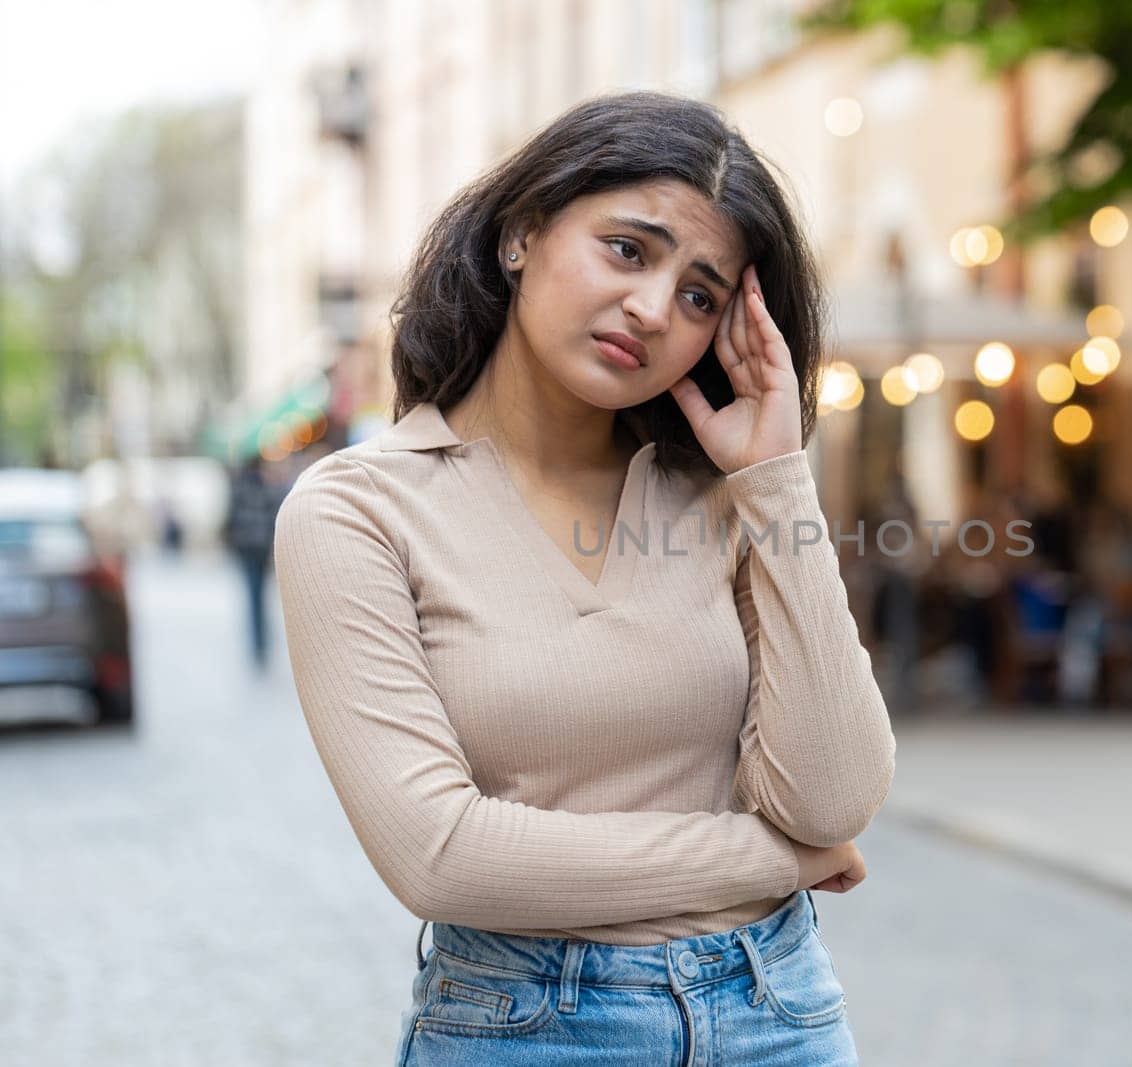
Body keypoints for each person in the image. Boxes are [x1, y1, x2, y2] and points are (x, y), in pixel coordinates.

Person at [273, 92, 893, 1066]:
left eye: (700, 294)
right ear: (523, 234)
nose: (653, 309)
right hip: (530, 1026)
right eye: (628, 249)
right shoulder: (357, 511)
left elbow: (834, 798)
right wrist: (774, 861)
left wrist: (775, 477)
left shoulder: (720, 496)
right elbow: (442, 855)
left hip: (779, 1014)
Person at [222, 454, 283, 671]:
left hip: (246, 549)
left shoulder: (239, 487)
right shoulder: (266, 487)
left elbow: (230, 518)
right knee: (260, 596)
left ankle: (258, 643)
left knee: (253, 596)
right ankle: (262, 641)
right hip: (261, 548)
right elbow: (274, 517)